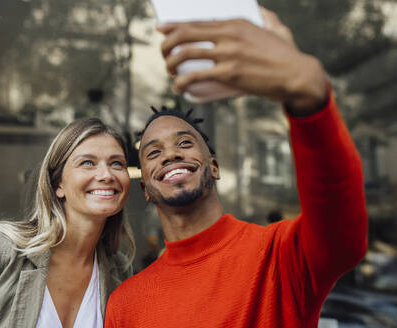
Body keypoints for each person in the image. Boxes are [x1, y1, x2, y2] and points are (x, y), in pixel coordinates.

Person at [104, 7, 367, 328]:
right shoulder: (125, 304)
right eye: (153, 152)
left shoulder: (279, 254)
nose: (170, 154)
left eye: (185, 143)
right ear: (144, 189)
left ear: (213, 167)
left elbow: (342, 231)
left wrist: (309, 92)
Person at [0, 117, 135, 327]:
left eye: (117, 163)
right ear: (58, 185)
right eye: (87, 163)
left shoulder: (119, 271)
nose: (106, 174)